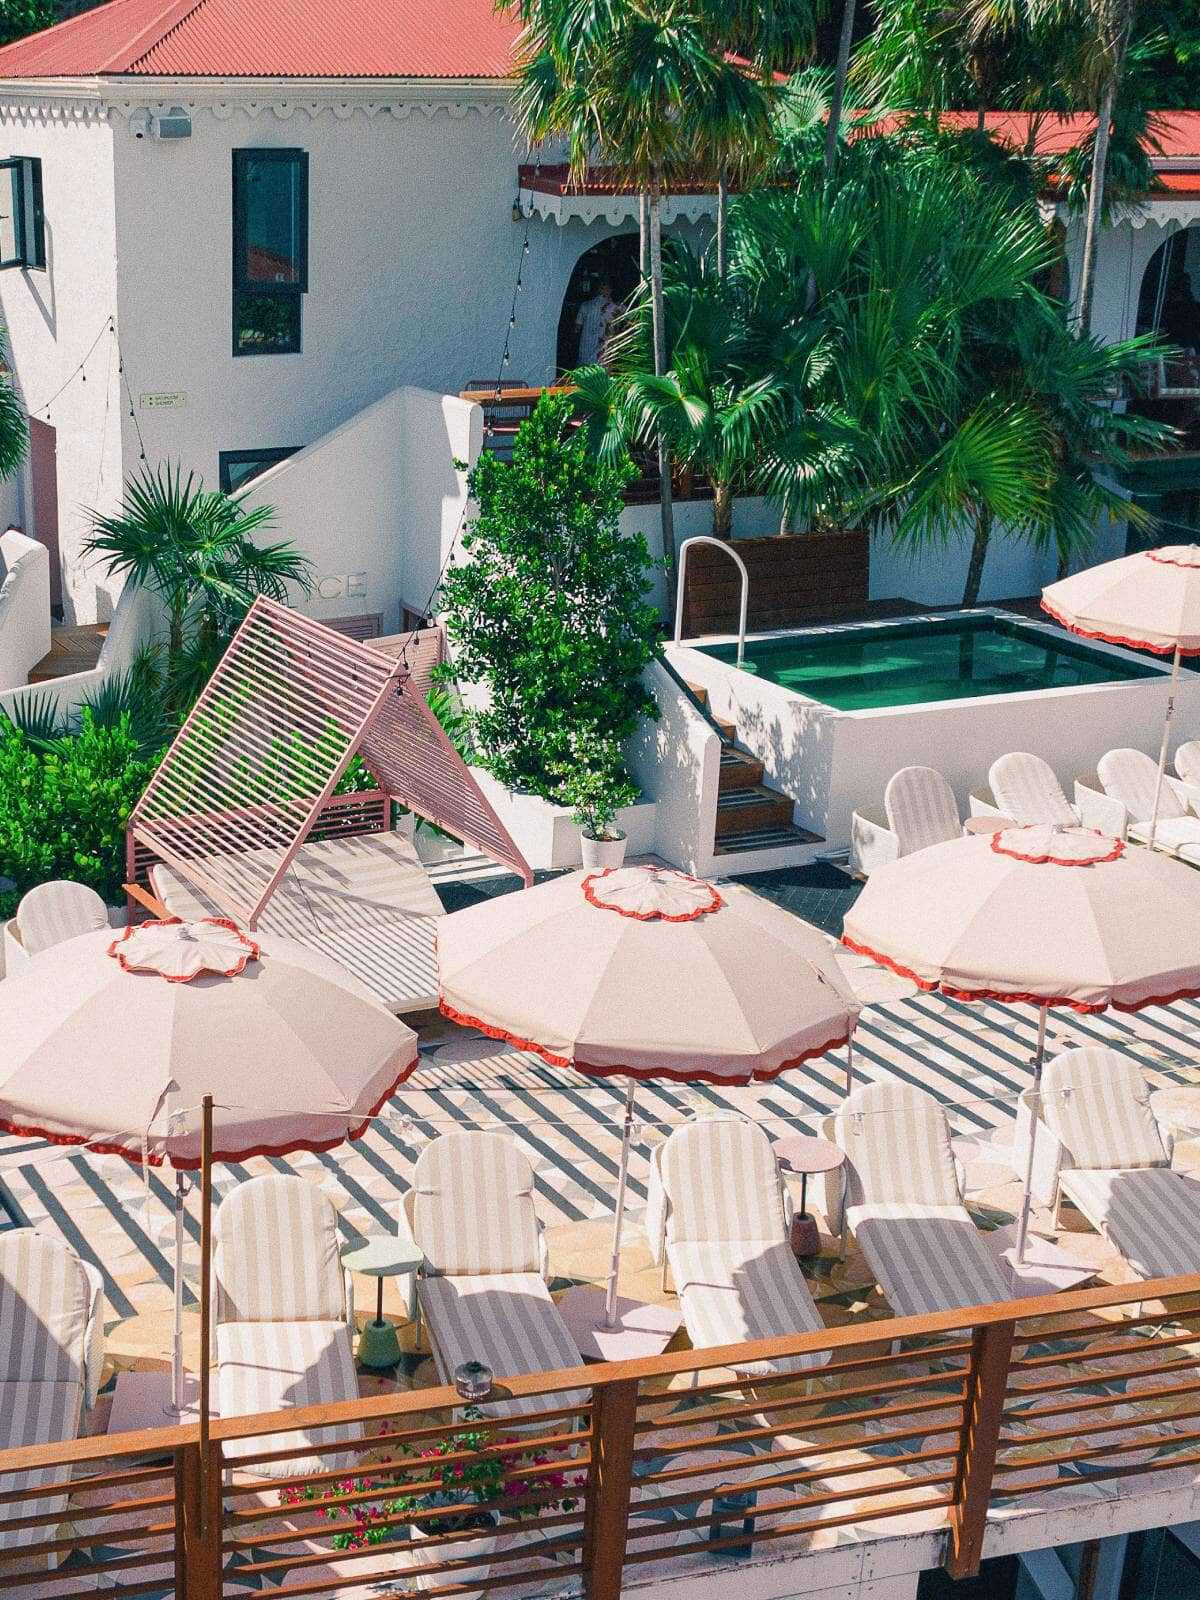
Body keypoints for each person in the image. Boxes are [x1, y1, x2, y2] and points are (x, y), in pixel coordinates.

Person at [574, 277, 619, 367]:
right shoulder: (617, 308)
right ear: (609, 290)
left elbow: (577, 329)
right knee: (602, 374)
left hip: (586, 347)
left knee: (584, 372)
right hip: (605, 348)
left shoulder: (585, 305)